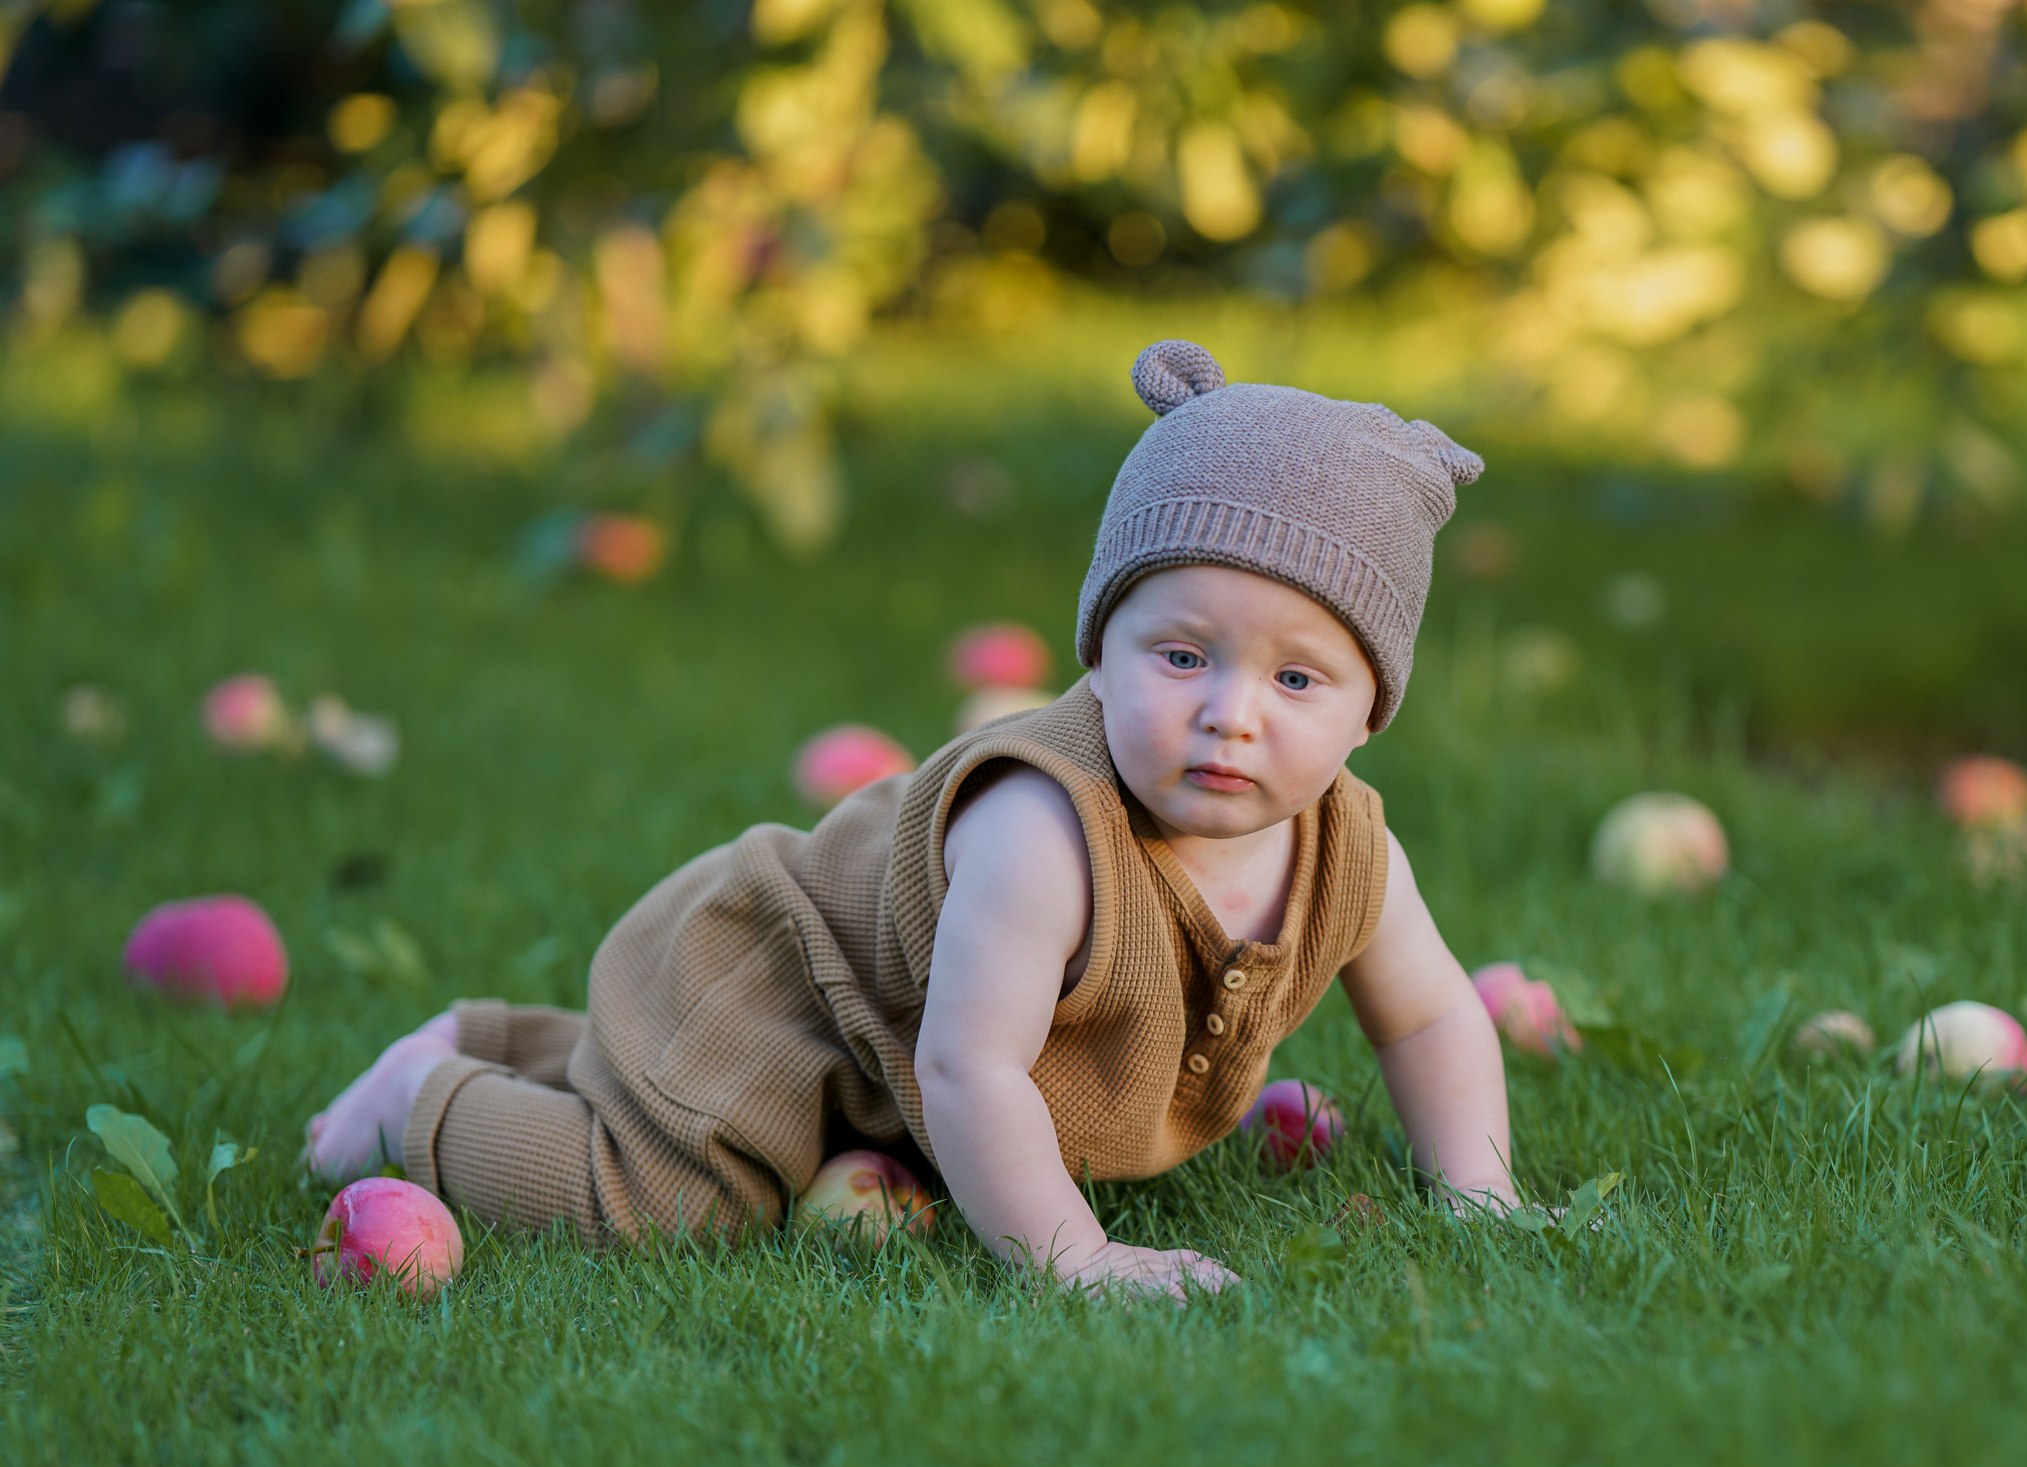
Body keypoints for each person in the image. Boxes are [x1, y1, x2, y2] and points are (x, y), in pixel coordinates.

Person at [303, 339, 1515, 1300]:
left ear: (1370, 711)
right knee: (670, 1206)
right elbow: (966, 1064)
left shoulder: (1349, 852)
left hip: (883, 1058)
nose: (1229, 715)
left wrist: (1481, 1197)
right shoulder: (1044, 831)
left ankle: (506, 1041)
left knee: (709, 1127)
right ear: (1099, 654)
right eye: (1182, 655)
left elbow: (1428, 1014)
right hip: (779, 988)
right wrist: (1076, 1258)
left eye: (1296, 679)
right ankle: (423, 1100)